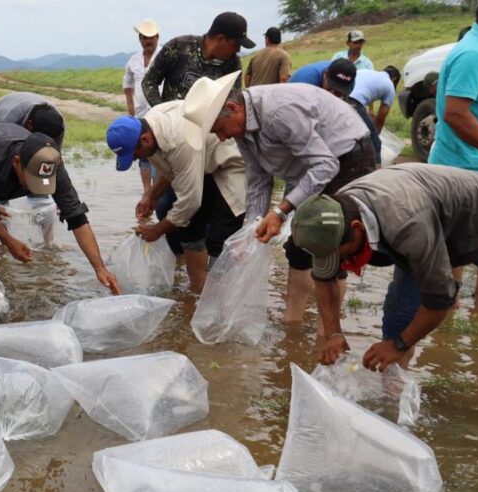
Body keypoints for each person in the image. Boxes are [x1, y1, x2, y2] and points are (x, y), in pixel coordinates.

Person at [293, 164, 478, 371]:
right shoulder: (331, 218)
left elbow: (440, 299)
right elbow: (324, 279)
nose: (342, 261)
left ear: (357, 228)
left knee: (403, 333)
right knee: (399, 311)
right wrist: (333, 334)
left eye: (343, 254)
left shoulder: (407, 226)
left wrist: (399, 346)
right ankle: (392, 388)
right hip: (433, 222)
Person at [209, 82, 375, 324]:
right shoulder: (242, 129)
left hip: (347, 157)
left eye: (220, 129)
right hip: (313, 166)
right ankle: (292, 324)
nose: (222, 138)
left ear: (234, 108)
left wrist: (280, 211)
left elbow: (326, 165)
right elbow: (258, 181)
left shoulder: (279, 112)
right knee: (299, 245)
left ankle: (328, 331)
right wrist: (251, 230)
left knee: (331, 244)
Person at [0, 123, 122, 294]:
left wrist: (99, 268)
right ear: (17, 163)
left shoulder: (52, 165)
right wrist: (9, 241)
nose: (34, 189)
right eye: (32, 182)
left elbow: (77, 218)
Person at [108, 73, 247, 293]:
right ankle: (198, 290)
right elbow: (174, 170)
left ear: (144, 140)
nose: (136, 160)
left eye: (135, 155)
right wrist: (150, 196)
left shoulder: (177, 138)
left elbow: (190, 202)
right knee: (175, 216)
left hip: (227, 162)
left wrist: (157, 230)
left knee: (220, 237)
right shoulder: (149, 131)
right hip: (199, 163)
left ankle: (223, 299)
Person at [430, 0, 478, 301]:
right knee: (451, 252)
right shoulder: (472, 54)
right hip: (459, 172)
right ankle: (444, 319)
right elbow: (456, 113)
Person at [141, 11, 252, 107]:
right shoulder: (178, 47)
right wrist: (161, 110)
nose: (238, 50)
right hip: (169, 126)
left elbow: (233, 100)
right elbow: (149, 81)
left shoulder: (233, 64)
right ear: (220, 39)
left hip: (206, 129)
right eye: (236, 44)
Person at [123, 18, 162, 195]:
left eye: (151, 37)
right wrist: (129, 103)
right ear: (140, 39)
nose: (148, 41)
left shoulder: (163, 56)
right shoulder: (134, 59)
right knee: (142, 151)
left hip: (160, 112)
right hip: (140, 112)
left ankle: (156, 190)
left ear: (157, 37)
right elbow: (127, 81)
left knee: (158, 151)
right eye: (145, 38)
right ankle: (147, 191)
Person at [321, 60, 383, 166]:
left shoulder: (353, 106)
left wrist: (377, 170)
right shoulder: (308, 92)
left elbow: (375, 140)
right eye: (331, 89)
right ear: (325, 76)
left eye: (339, 92)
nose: (334, 95)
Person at [0, 92, 66, 146]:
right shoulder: (10, 118)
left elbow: (56, 157)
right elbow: (1, 151)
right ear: (29, 125)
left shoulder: (59, 124)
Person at [351, 66, 400, 135]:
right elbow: (381, 119)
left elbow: (366, 89)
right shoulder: (390, 85)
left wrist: (370, 111)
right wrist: (376, 136)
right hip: (354, 103)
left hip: (339, 98)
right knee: (370, 137)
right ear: (394, 79)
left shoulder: (365, 71)